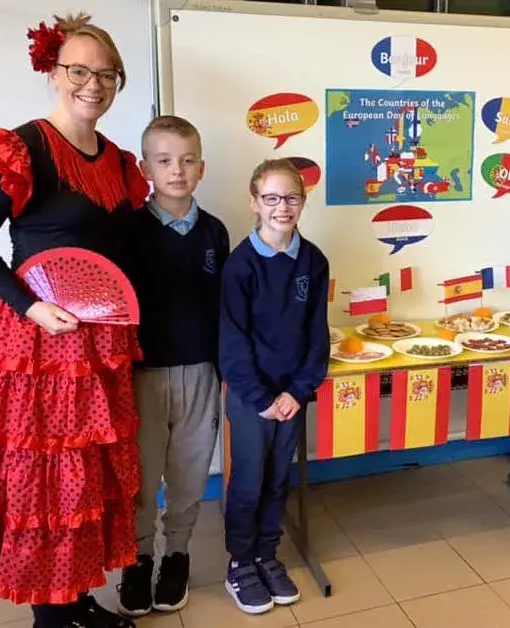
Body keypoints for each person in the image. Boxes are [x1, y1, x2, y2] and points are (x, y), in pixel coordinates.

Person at [0, 13, 150, 628]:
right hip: (40, 346)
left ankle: (79, 600)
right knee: (47, 481)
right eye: (79, 71)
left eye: (107, 74)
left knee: (87, 480)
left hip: (102, 344)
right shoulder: (22, 147)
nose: (93, 84)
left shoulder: (119, 160)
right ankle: (50, 616)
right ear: (54, 72)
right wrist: (31, 307)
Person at [117, 116, 230, 617]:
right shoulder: (126, 231)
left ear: (201, 168)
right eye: (163, 161)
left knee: (187, 473)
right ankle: (139, 559)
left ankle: (177, 555)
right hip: (142, 375)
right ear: (145, 168)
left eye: (186, 161)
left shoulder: (215, 232)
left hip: (201, 372)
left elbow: (223, 307)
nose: (176, 171)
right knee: (141, 477)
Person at [219, 159, 329, 615]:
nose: (282, 207)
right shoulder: (240, 266)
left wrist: (297, 392)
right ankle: (240, 563)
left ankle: (267, 554)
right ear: (254, 202)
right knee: (248, 482)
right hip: (253, 399)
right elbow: (231, 340)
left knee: (278, 480)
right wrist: (263, 398)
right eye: (271, 198)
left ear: (303, 202)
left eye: (291, 198)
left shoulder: (314, 260)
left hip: (291, 397)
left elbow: (316, 334)